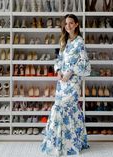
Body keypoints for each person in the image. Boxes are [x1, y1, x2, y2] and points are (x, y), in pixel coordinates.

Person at [40, 14, 91, 156]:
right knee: (58, 108)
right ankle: (58, 143)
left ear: (76, 24)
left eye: (70, 23)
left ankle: (71, 145)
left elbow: (84, 63)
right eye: (66, 23)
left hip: (73, 82)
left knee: (68, 109)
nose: (68, 26)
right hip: (61, 82)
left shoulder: (80, 41)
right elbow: (59, 59)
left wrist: (71, 72)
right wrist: (58, 71)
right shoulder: (65, 41)